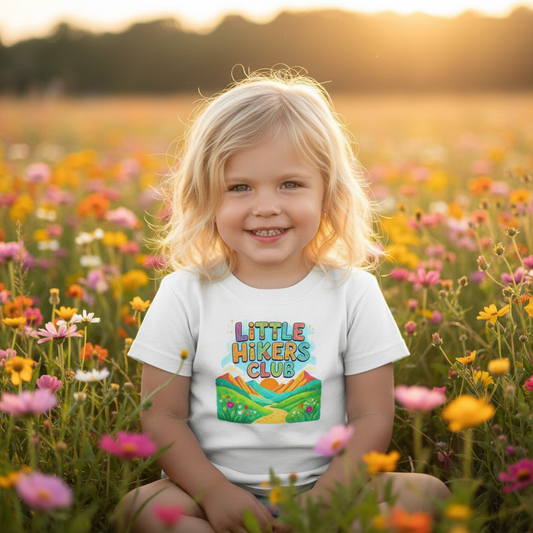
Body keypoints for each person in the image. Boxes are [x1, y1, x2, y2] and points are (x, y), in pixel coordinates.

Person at [118, 69, 450, 533]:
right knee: (140, 508)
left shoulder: (354, 292)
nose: (266, 206)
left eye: (290, 184)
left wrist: (325, 502)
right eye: (240, 187)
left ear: (327, 193)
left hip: (328, 485)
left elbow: (373, 415)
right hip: (209, 488)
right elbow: (162, 415)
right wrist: (216, 494)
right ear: (205, 197)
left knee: (429, 495)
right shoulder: (184, 292)